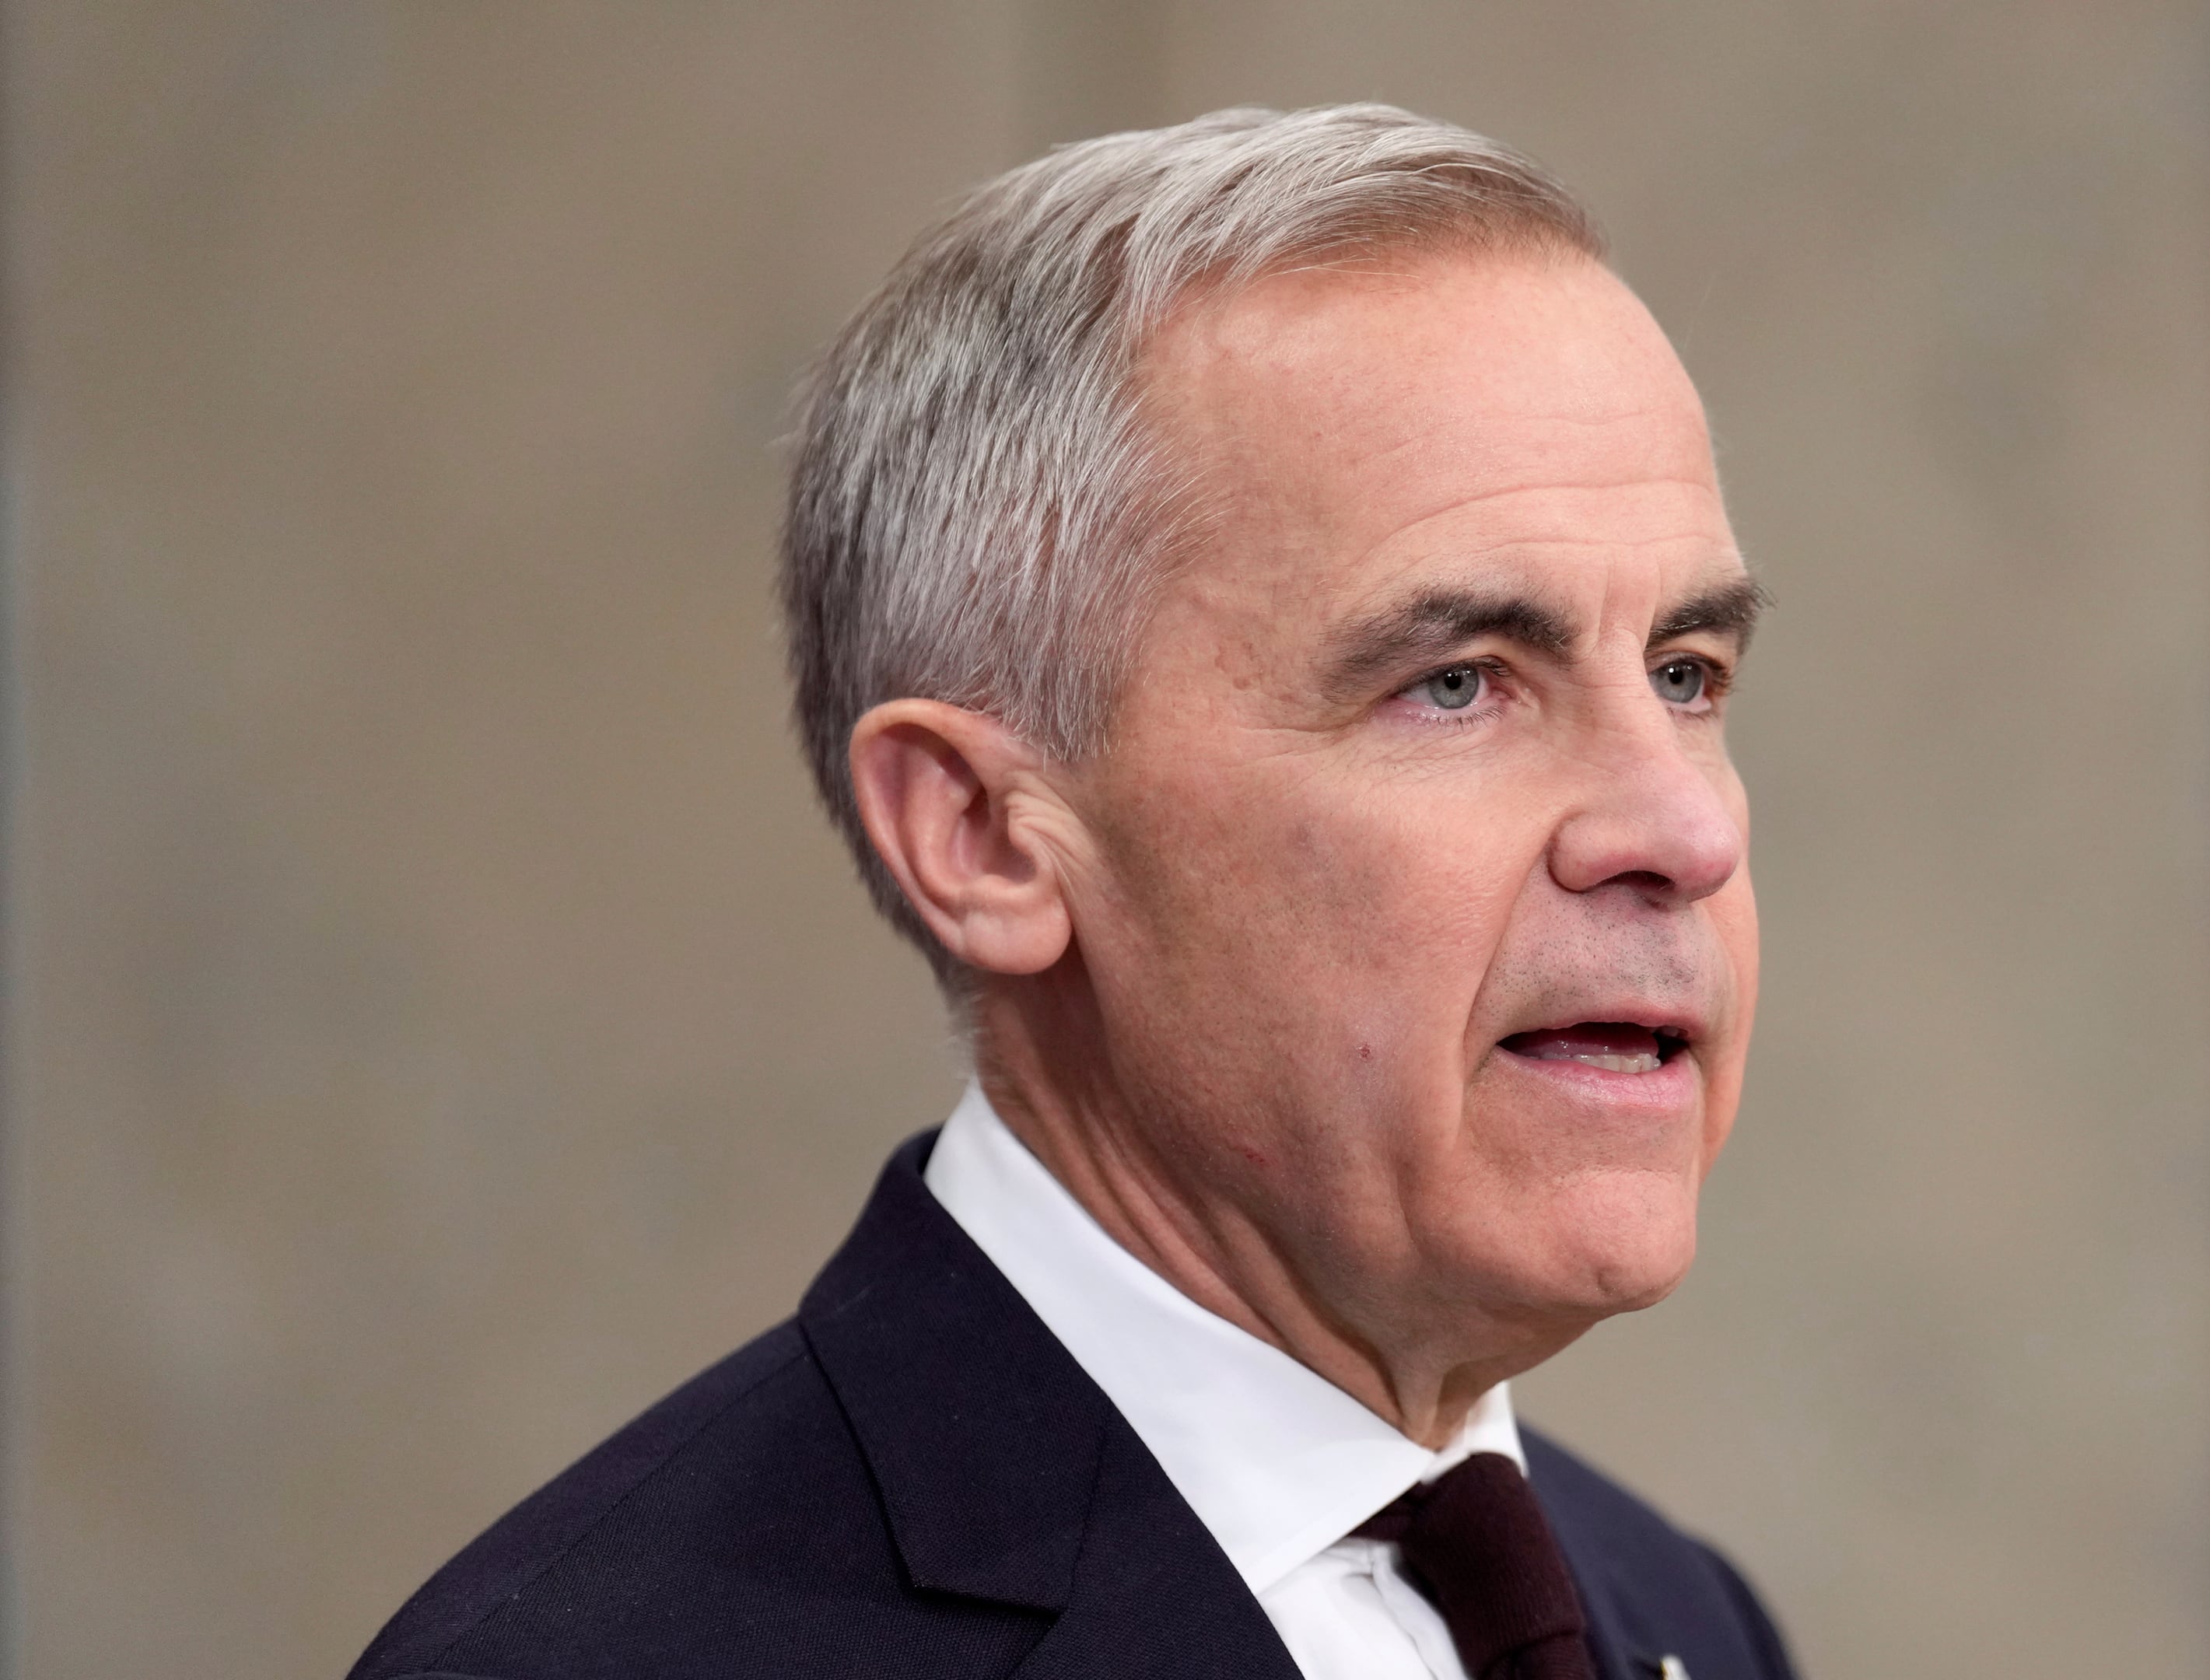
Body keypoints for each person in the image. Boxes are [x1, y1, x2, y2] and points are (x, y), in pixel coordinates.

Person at [349, 103, 1793, 1680]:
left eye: (1685, 670)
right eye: (1456, 684)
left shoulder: (1675, 1616)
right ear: (982, 835)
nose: (1680, 827)